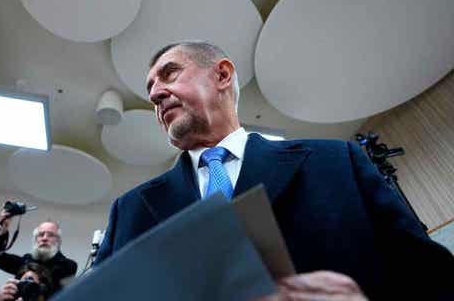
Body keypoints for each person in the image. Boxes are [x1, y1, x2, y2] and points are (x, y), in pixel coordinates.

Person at [94, 41, 454, 300]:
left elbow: (431, 279)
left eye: (169, 74)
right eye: (150, 88)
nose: (156, 93)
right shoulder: (129, 211)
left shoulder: (335, 162)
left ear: (221, 74)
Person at [0, 216, 77, 295]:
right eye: (41, 235)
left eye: (50, 235)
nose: (44, 238)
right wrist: (4, 227)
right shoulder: (26, 260)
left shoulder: (68, 266)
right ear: (35, 240)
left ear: (58, 241)